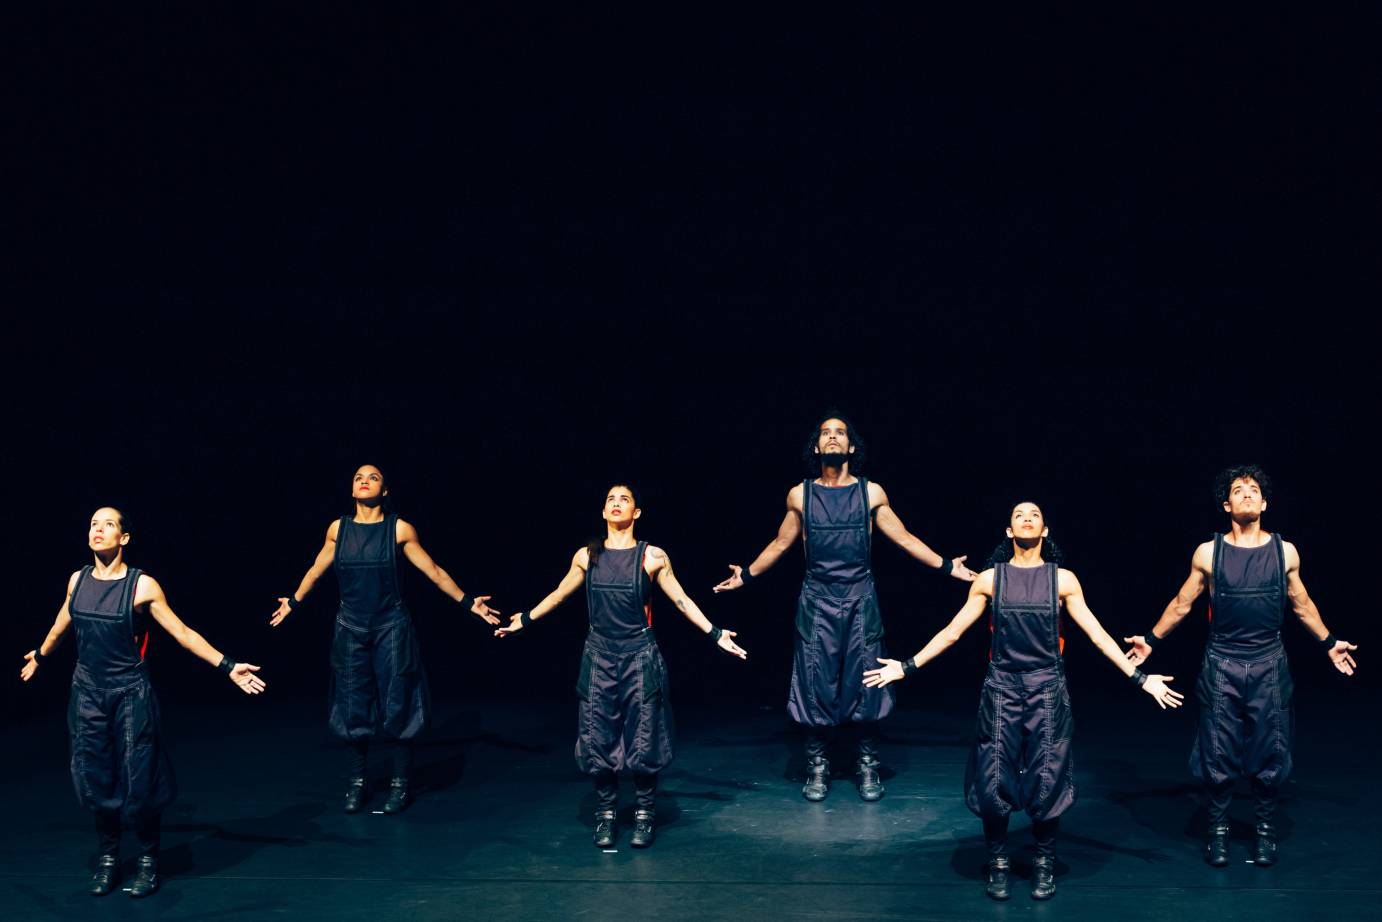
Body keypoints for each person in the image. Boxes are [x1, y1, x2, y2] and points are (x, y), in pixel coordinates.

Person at [865, 502, 1181, 901]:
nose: (1027, 517)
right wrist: (906, 667)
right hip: (1001, 689)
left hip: (1048, 689)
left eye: (1035, 514)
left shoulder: (1064, 581)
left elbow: (1098, 635)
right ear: (1009, 532)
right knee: (993, 774)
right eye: (1019, 515)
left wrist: (1140, 678)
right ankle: (997, 861)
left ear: (1045, 531)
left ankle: (1043, 860)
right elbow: (952, 632)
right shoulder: (990, 580)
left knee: (1047, 777)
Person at [713, 414, 975, 802]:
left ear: (851, 447)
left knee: (868, 677)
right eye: (825, 433)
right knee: (816, 678)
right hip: (817, 599)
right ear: (816, 447)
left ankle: (866, 763)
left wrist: (949, 566)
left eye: (840, 433)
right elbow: (781, 543)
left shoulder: (871, 493)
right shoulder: (800, 495)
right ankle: (817, 764)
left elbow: (903, 538)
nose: (832, 437)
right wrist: (746, 575)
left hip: (860, 598)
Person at [21, 507, 267, 899]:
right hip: (87, 692)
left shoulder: (142, 587)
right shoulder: (77, 580)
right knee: (96, 775)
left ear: (125, 537)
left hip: (129, 692)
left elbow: (183, 633)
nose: (98, 529)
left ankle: (149, 860)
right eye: (93, 524)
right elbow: (61, 624)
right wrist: (40, 654)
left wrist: (228, 665)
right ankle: (108, 859)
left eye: (108, 524)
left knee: (141, 776)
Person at [1124, 465, 1357, 867]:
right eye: (1238, 489)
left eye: (1254, 490)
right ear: (1226, 504)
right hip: (1222, 663)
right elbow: (1183, 603)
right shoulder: (1208, 552)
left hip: (1269, 663)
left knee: (1272, 748)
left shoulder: (1285, 551)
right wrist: (1152, 639)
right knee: (1217, 750)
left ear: (1265, 503)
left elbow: (1302, 605)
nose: (1247, 494)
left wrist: (1330, 643)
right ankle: (1218, 830)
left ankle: (1264, 831)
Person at [496, 483, 746, 848]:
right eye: (610, 500)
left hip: (639, 657)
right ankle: (607, 814)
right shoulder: (587, 556)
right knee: (599, 738)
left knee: (645, 738)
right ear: (602, 512)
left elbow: (680, 599)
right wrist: (526, 618)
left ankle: (645, 813)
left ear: (637, 513)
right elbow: (560, 592)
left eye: (624, 499)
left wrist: (715, 633)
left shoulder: (653, 556)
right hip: (599, 657)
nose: (616, 504)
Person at [270, 464, 499, 814]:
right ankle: (357, 783)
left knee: (399, 702)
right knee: (352, 703)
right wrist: (294, 601)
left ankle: (400, 783)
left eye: (373, 477)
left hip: (391, 626)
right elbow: (316, 569)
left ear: (386, 491)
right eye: (359, 477)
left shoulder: (399, 529)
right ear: (351, 489)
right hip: (350, 626)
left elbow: (433, 571)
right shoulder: (338, 529)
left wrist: (469, 603)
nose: (364, 481)